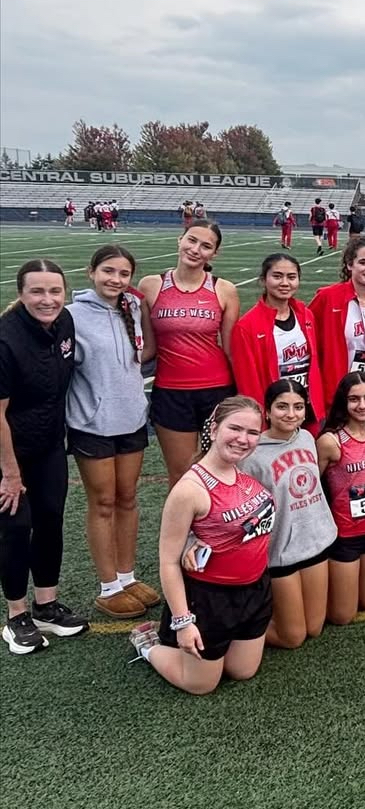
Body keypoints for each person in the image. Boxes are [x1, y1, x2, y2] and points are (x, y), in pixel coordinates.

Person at [128, 396, 273, 694]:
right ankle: (149, 645)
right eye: (235, 429)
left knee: (242, 671)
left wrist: (195, 540)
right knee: (200, 685)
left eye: (253, 432)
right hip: (210, 600)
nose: (243, 439)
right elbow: (168, 561)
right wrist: (183, 622)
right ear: (214, 428)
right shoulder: (189, 489)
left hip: (255, 590)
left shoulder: (241, 470)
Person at [1, 260, 90, 654]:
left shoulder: (65, 322)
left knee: (51, 518)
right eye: (37, 291)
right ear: (21, 293)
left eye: (54, 291)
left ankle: (46, 605)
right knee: (17, 527)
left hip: (50, 443)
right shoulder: (6, 339)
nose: (47, 299)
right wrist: (9, 472)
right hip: (10, 449)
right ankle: (16, 614)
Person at [66, 245, 158, 619]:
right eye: (108, 271)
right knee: (102, 503)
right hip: (92, 424)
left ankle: (127, 576)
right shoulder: (71, 315)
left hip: (132, 419)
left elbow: (146, 351)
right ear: (91, 272)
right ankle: (108, 587)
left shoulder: (132, 308)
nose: (115, 279)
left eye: (123, 274)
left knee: (127, 498)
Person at [139, 220, 239, 487]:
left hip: (217, 391)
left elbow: (230, 350)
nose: (196, 249)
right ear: (179, 240)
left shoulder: (224, 289)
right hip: (171, 393)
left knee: (218, 470)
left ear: (214, 254)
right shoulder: (150, 286)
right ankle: (181, 531)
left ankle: (215, 530)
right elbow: (148, 349)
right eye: (191, 240)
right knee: (182, 475)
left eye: (206, 246)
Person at [238, 379, 336, 648]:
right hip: (280, 551)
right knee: (292, 637)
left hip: (316, 541)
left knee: (314, 629)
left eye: (298, 407)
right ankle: (229, 625)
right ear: (267, 411)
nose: (291, 414)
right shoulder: (251, 455)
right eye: (282, 407)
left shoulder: (306, 437)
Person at [317, 372, 365, 626]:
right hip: (345, 537)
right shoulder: (331, 441)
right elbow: (313, 487)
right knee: (342, 616)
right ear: (343, 402)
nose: (362, 405)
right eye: (354, 399)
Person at [231, 253, 325, 428]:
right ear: (263, 279)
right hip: (276, 416)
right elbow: (248, 384)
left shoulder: (306, 315)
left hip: (307, 410)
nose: (284, 283)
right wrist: (262, 423)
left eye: (291, 277)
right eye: (277, 276)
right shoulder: (247, 326)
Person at [309, 235, 365, 414]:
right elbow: (310, 339)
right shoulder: (328, 297)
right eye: (363, 262)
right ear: (350, 264)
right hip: (340, 393)